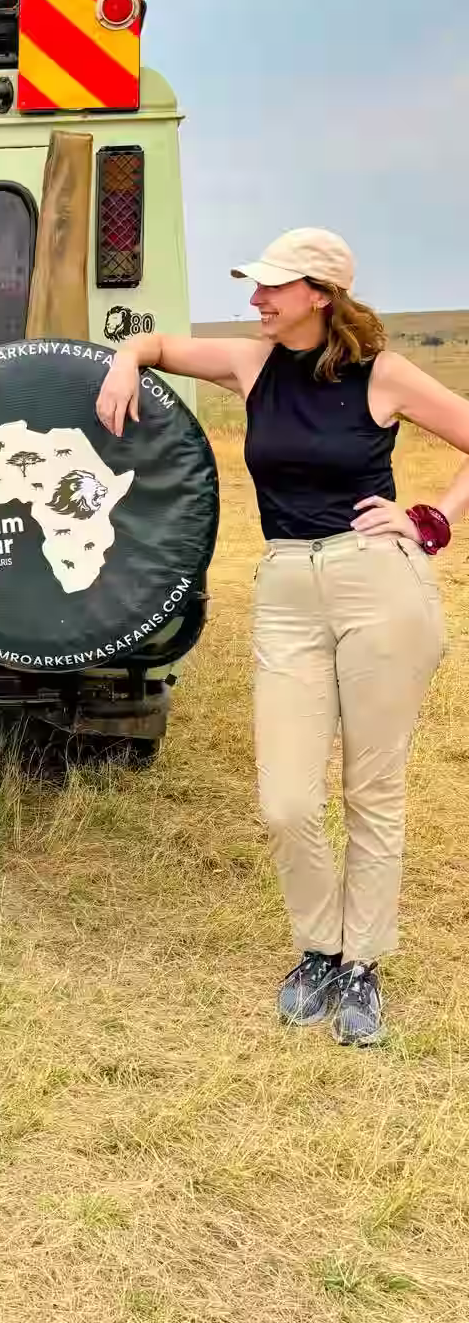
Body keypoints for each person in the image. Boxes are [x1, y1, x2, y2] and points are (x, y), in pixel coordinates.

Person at [96, 229, 469, 1046]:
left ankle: (360, 963)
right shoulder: (250, 364)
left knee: (373, 791)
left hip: (377, 585)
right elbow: (154, 342)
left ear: (321, 295)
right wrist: (127, 359)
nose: (257, 297)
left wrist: (431, 519)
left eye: (274, 286)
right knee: (288, 798)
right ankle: (316, 946)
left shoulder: (385, 376)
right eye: (256, 285)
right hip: (288, 588)